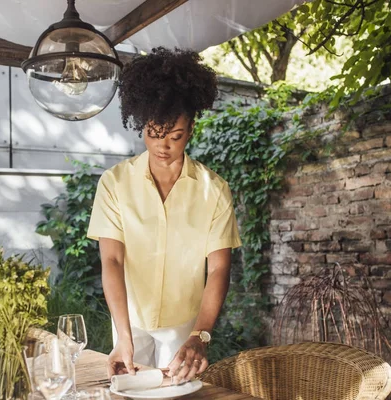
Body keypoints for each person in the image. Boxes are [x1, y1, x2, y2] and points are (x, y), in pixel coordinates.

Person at [87, 47, 241, 384]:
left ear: (191, 130)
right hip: (130, 321)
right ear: (141, 123)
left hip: (185, 326)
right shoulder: (114, 184)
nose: (163, 146)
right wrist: (123, 338)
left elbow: (218, 268)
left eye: (176, 136)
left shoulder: (214, 190)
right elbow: (111, 261)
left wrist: (200, 336)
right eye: (155, 133)